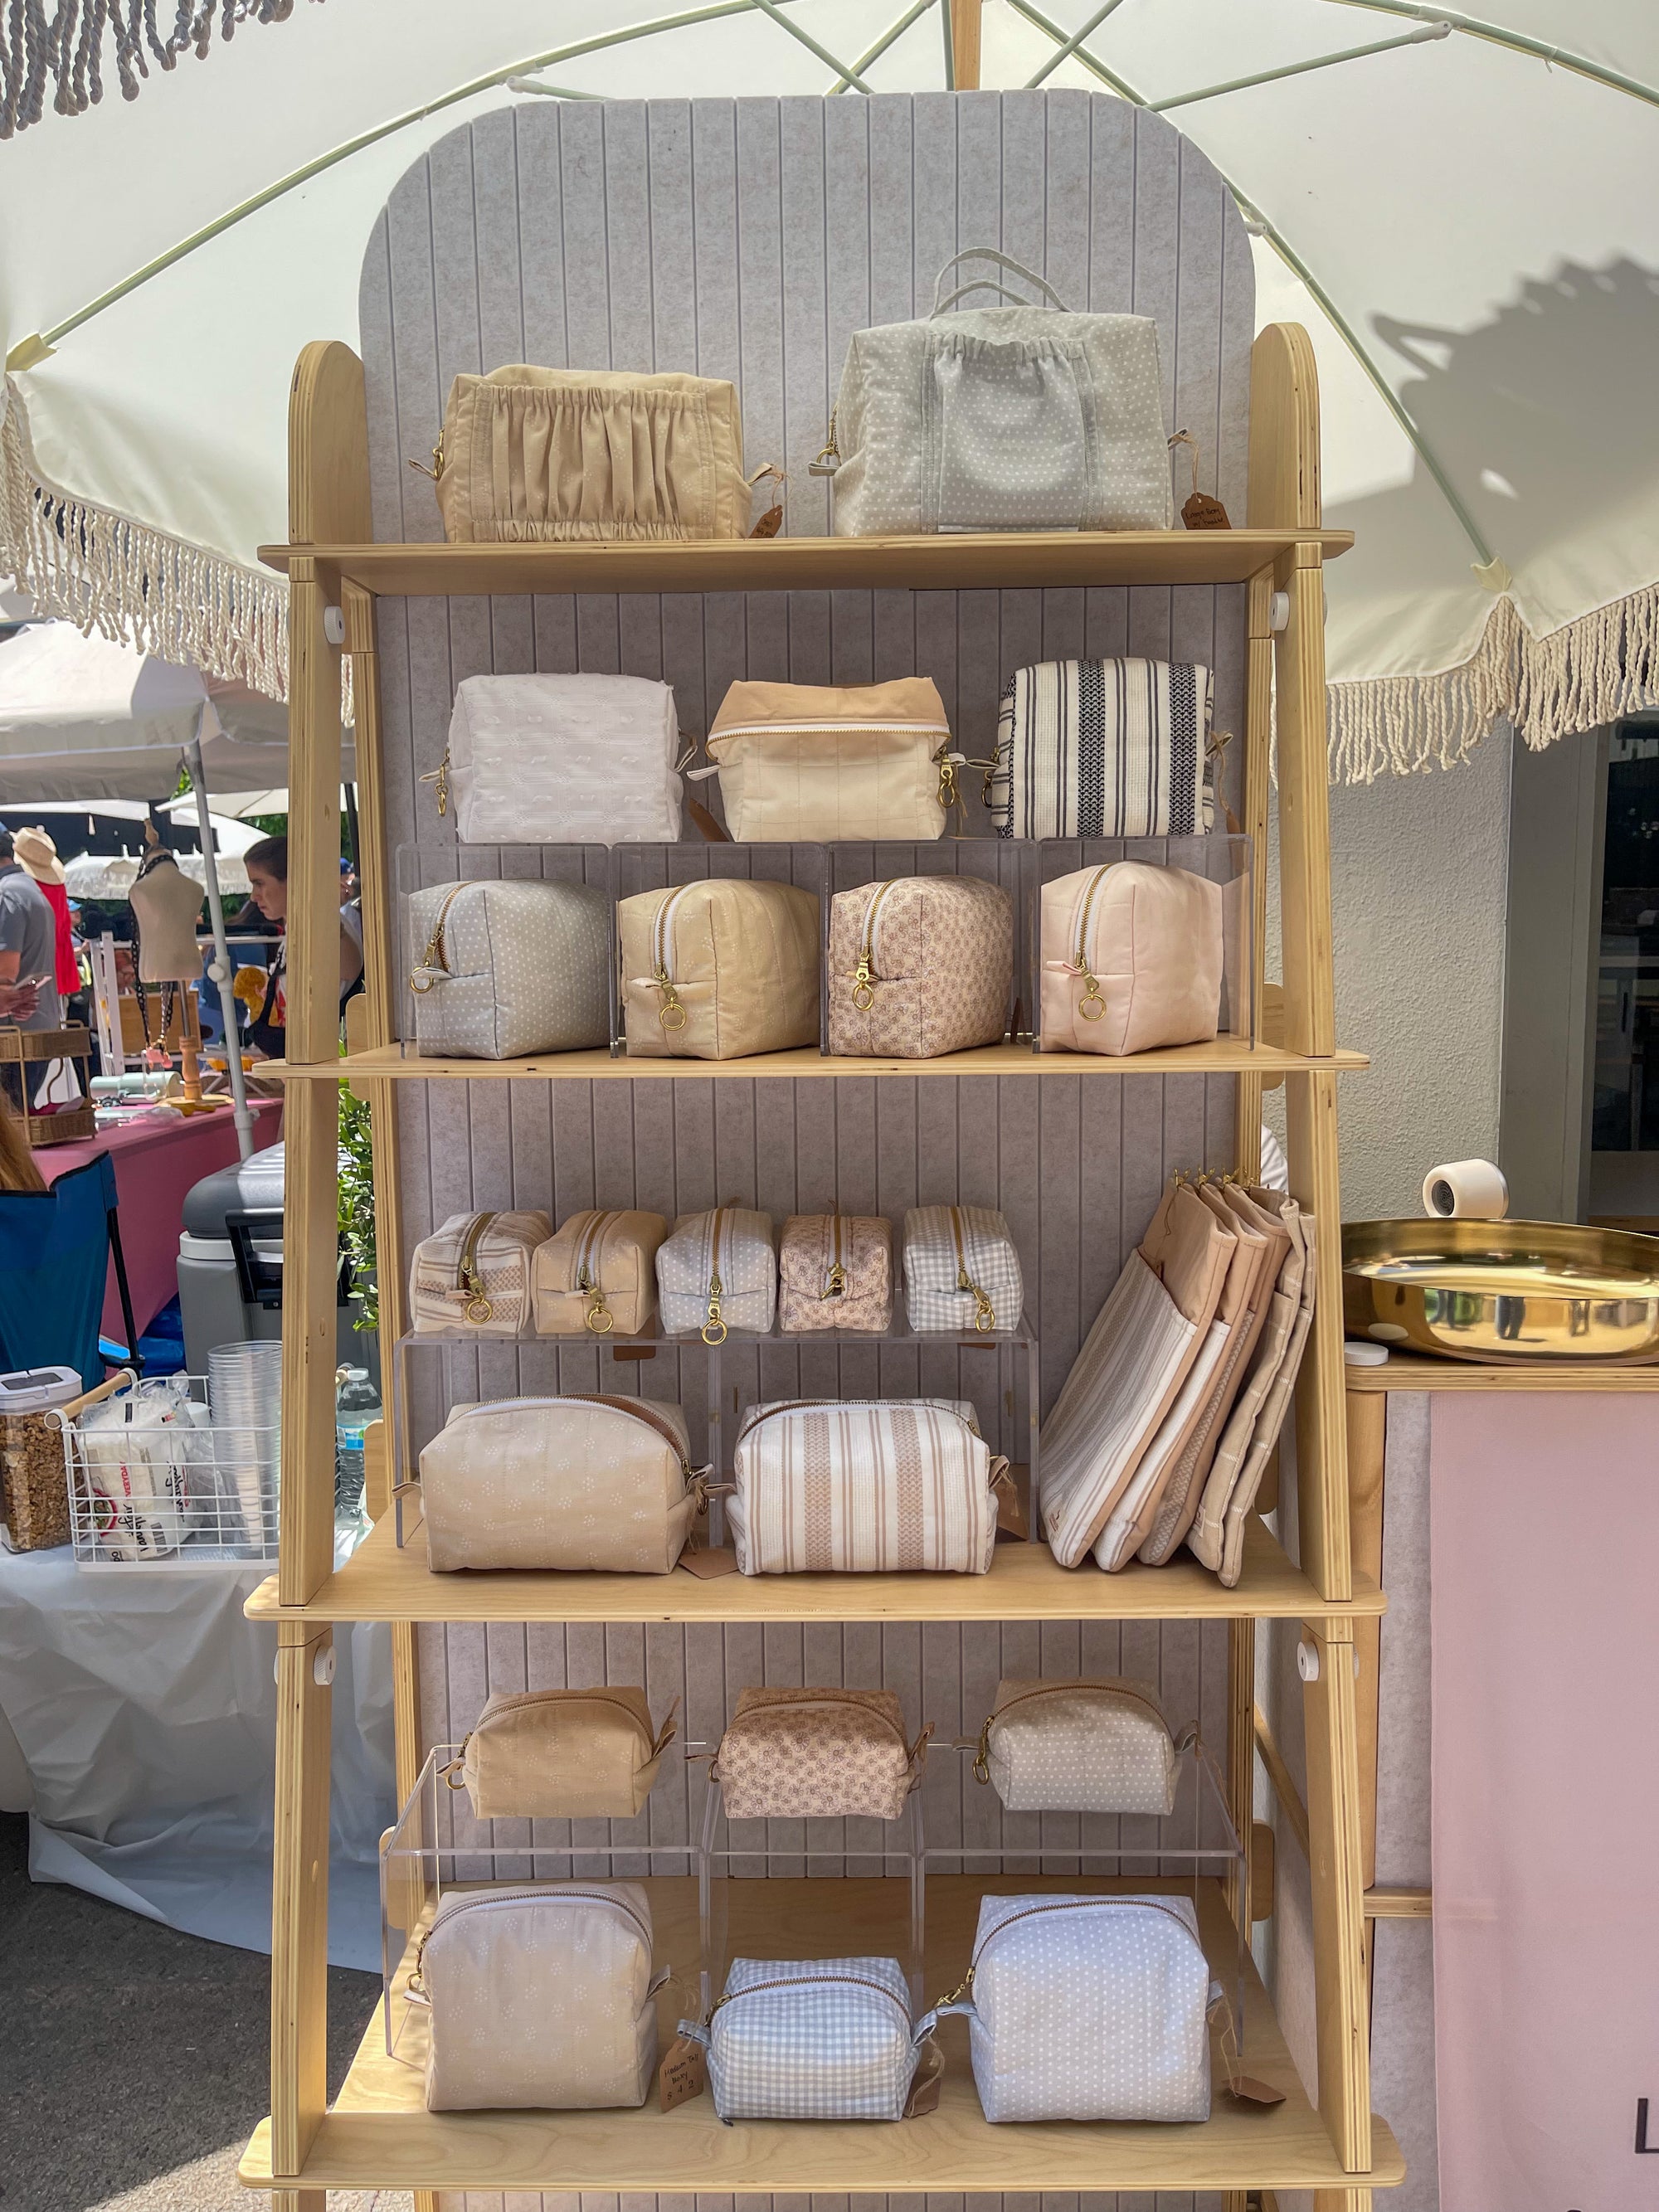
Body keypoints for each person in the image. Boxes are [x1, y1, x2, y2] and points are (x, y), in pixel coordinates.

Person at [241, 834, 365, 1058]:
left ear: (292, 879)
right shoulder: (299, 928)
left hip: (326, 1066)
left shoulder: (326, 926)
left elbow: (350, 969)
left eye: (259, 883)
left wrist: (328, 914)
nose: (253, 896)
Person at [0, 827, 63, 1033]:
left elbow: (4, 975)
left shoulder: (6, 894)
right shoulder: (27, 889)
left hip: (13, 1035)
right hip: (33, 1029)